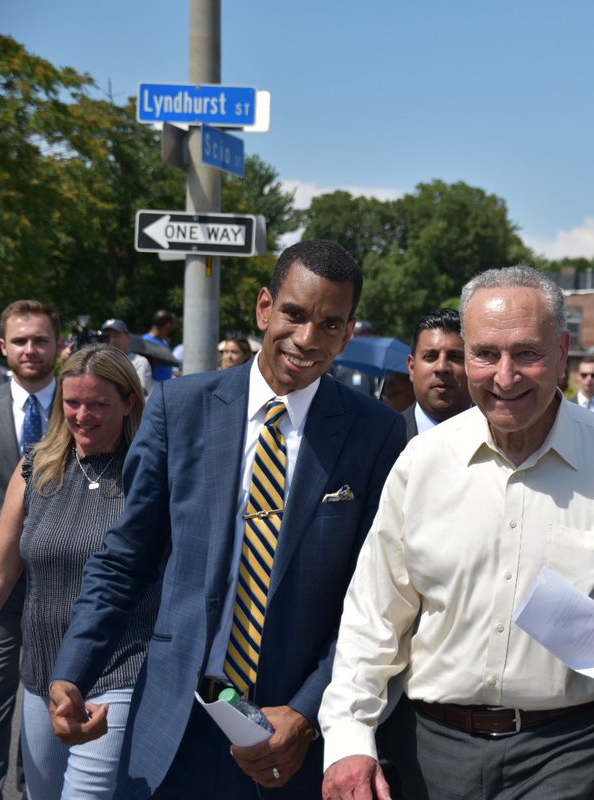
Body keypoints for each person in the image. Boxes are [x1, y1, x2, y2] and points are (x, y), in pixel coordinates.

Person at [319, 266, 594, 800]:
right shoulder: (422, 463)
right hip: (430, 753)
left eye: (527, 353)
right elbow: (375, 614)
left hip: (574, 750)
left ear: (563, 353)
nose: (504, 375)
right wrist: (348, 739)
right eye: (485, 354)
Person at [47, 240, 407, 798]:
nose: (307, 338)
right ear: (265, 308)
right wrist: (73, 670)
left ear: (347, 331)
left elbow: (376, 599)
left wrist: (308, 712)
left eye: (330, 323)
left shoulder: (376, 432)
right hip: (173, 728)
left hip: (289, 741)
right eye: (293, 313)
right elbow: (126, 560)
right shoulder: (179, 409)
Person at [0, 346, 156, 799]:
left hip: (119, 671)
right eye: (72, 403)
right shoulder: (34, 470)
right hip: (41, 674)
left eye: (98, 404)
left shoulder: (149, 477)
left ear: (129, 401)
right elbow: (0, 574)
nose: (82, 415)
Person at [0, 299, 61, 798]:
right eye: (20, 341)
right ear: (3, 348)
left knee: (50, 711)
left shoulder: (84, 404)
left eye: (40, 339)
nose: (31, 350)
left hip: (63, 586)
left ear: (59, 345)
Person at [401, 309, 470, 438]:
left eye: (455, 356)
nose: (442, 367)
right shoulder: (383, 438)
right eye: (430, 357)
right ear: (412, 367)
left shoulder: (500, 438)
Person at [101, 319, 154, 398]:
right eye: (108, 336)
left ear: (128, 338)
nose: (112, 340)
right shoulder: (101, 361)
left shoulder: (139, 361)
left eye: (116, 335)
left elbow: (140, 391)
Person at [142, 309, 178, 383]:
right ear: (168, 325)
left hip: (164, 389)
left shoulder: (164, 342)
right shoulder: (145, 342)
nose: (175, 327)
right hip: (152, 391)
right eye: (174, 324)